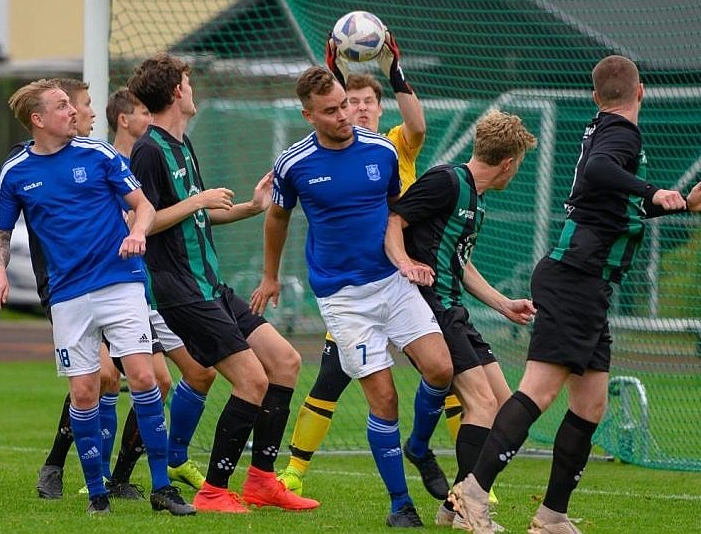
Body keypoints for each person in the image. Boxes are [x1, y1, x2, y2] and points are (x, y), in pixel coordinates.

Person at [448, 55, 701, 534]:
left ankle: (550, 516)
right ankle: (471, 493)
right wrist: (655, 191)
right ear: (641, 91)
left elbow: (613, 205)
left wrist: (680, 202)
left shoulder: (604, 128)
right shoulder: (622, 133)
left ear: (596, 97)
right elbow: (599, 171)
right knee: (538, 391)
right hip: (575, 278)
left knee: (591, 404)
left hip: (586, 283)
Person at [251, 66, 453, 527]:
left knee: (442, 369)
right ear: (309, 115)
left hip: (393, 283)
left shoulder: (382, 150)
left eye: (345, 104)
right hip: (344, 299)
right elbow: (277, 218)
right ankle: (401, 504)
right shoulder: (293, 164)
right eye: (331, 110)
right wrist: (270, 276)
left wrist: (406, 260)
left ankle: (419, 446)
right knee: (384, 399)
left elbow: (397, 214)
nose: (344, 115)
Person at [0, 79, 194, 516]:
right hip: (67, 294)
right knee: (84, 391)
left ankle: (161, 488)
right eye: (63, 106)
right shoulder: (16, 171)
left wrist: (137, 233)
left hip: (120, 281)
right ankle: (97, 495)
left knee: (145, 378)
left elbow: (144, 206)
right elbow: (0, 232)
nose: (74, 112)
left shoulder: (99, 154)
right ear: (38, 119)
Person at [127, 53, 318, 514]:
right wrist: (199, 200)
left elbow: (194, 217)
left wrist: (251, 208)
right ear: (177, 91)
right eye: (188, 83)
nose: (192, 90)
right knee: (251, 380)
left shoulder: (182, 144)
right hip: (180, 291)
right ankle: (213, 490)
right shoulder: (148, 150)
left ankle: (263, 482)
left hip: (210, 283)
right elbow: (143, 222)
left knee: (286, 362)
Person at [384, 110, 538, 530]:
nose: (515, 173)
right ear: (508, 163)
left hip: (455, 310)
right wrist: (404, 263)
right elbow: (394, 219)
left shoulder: (475, 197)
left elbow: (459, 262)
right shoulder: (446, 181)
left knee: (505, 408)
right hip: (430, 309)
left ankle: (454, 505)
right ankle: (470, 509)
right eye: (518, 165)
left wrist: (503, 304)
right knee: (482, 403)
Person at [104, 87, 217, 495]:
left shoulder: (163, 154)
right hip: (124, 288)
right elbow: (136, 220)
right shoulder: (112, 162)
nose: (150, 119)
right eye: (143, 112)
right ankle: (99, 476)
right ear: (125, 119)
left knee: (195, 373)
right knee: (109, 380)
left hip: (151, 285)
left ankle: (160, 464)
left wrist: (242, 208)